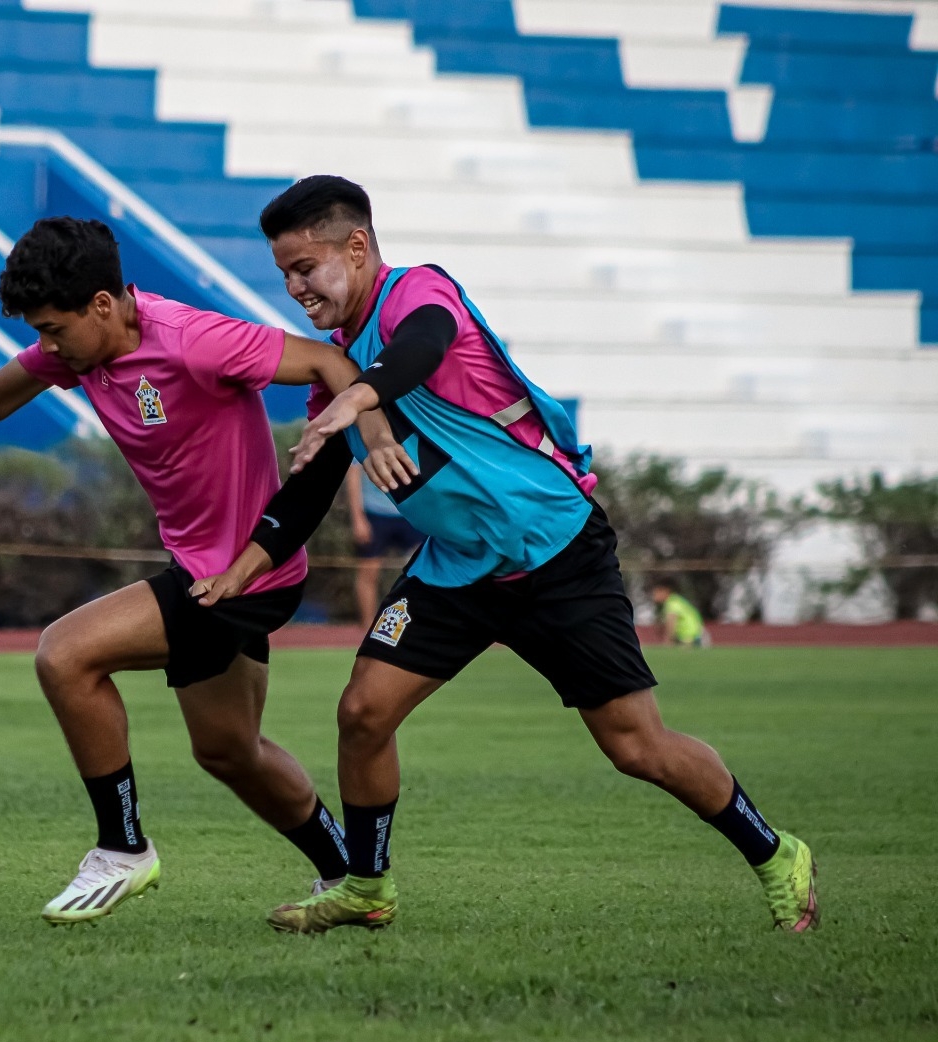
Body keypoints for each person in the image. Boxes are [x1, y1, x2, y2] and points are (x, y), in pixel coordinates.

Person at [190, 176, 817, 935]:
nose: (294, 288)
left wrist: (361, 399)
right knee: (362, 713)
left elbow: (422, 349)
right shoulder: (337, 372)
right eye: (284, 274)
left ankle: (778, 853)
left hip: (555, 547)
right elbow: (306, 495)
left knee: (636, 746)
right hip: (458, 566)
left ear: (356, 249)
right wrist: (240, 570)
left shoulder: (417, 292)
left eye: (304, 268)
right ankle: (366, 887)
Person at [0, 216, 395, 924]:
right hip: (203, 572)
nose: (46, 345)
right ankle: (353, 881)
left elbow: (327, 362)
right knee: (229, 751)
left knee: (64, 655)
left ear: (102, 305)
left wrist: (363, 429)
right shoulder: (79, 351)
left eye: (53, 328)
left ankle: (122, 848)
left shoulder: (195, 341)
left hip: (242, 575)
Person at [346, 464, 424, 623]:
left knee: (423, 571)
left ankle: (418, 625)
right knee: (369, 573)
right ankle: (367, 629)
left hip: (411, 512)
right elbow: (353, 473)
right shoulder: (363, 438)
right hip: (374, 513)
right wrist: (357, 518)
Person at [653, 581, 710, 647]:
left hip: (691, 637)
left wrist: (668, 642)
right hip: (697, 634)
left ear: (665, 591)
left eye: (656, 592)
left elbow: (671, 624)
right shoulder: (676, 600)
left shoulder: (672, 604)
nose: (654, 596)